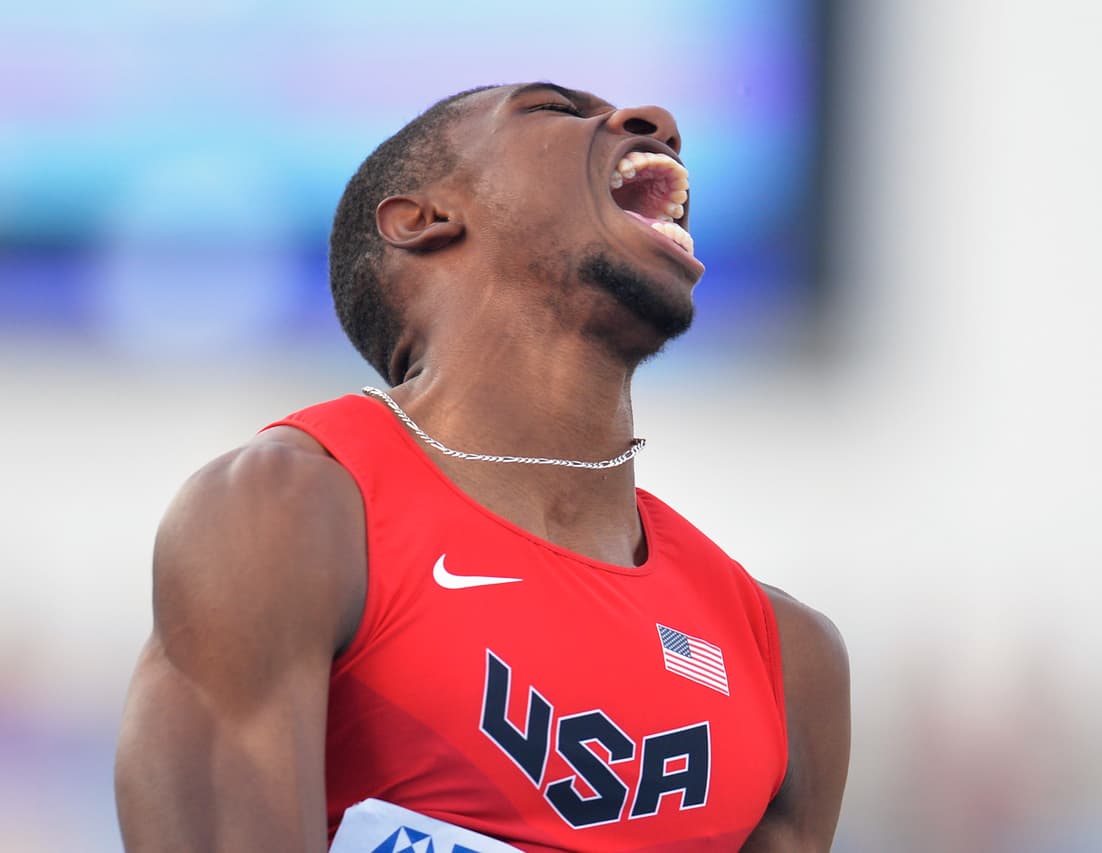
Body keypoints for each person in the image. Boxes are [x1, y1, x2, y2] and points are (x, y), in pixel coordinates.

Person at [114, 82, 850, 852]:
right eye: (554, 111)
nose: (653, 124)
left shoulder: (786, 659)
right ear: (425, 218)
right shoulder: (289, 514)